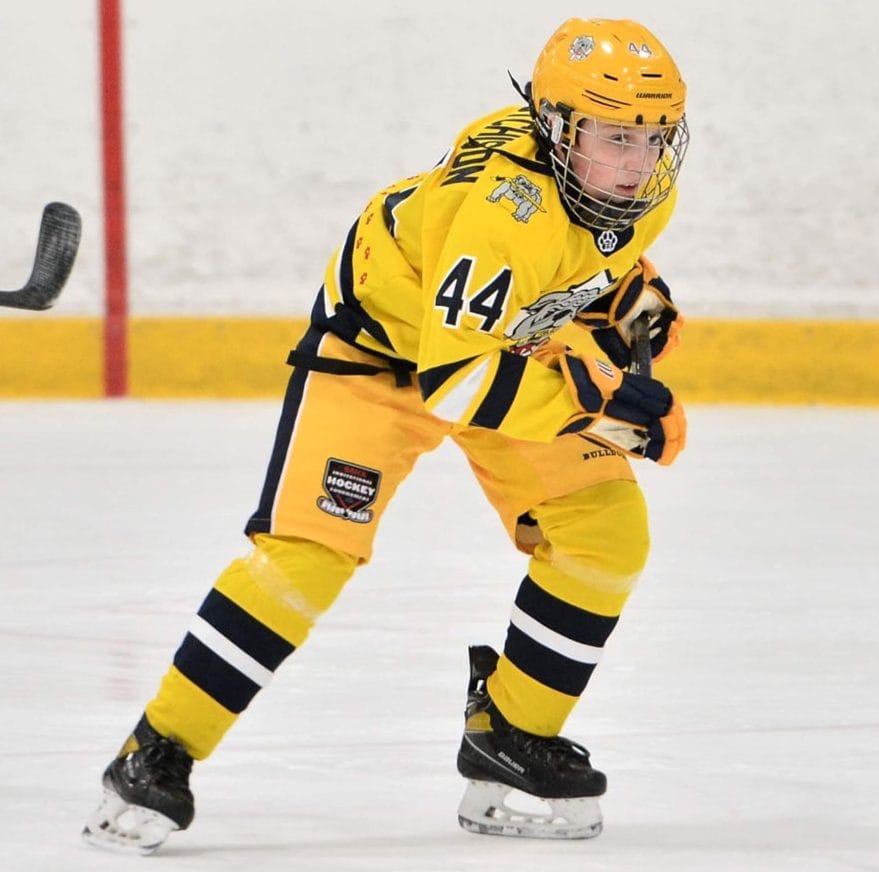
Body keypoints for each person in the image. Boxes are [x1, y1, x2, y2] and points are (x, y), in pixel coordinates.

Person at [83, 16, 690, 853]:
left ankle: (510, 734)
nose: (638, 162)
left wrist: (636, 313)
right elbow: (460, 380)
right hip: (377, 357)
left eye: (655, 138)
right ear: (557, 129)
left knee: (607, 533)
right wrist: (607, 412)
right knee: (307, 552)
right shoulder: (502, 211)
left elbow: (593, 262)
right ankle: (157, 749)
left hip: (497, 345)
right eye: (616, 137)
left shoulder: (628, 188)